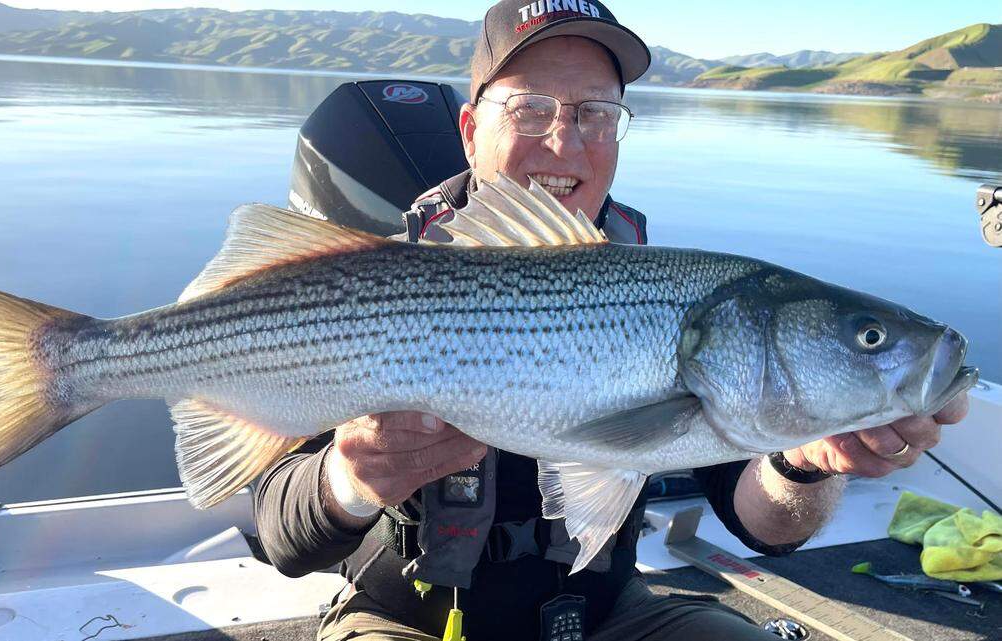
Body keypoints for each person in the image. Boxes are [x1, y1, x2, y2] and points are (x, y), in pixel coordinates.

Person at [255, 1, 970, 639]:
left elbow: (762, 524)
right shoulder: (363, 289)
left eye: (595, 113)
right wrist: (350, 477)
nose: (566, 145)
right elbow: (281, 533)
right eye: (531, 109)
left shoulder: (669, 296)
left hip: (609, 614)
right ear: (470, 132)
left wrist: (806, 460)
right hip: (402, 617)